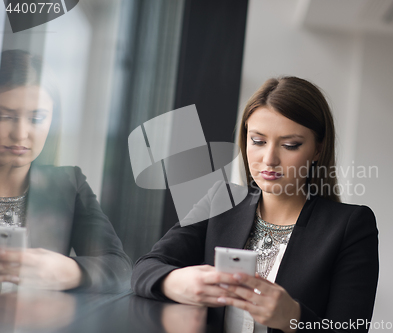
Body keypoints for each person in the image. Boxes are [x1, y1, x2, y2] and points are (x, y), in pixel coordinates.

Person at [131, 76, 379, 332]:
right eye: (258, 141)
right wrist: (178, 282)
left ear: (318, 149)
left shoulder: (352, 226)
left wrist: (292, 316)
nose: (269, 158)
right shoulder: (222, 200)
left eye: (290, 145)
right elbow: (145, 268)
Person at [0, 49, 131, 292]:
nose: (19, 134)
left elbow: (119, 266)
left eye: (37, 119)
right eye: (4, 116)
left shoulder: (67, 185)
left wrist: (67, 271)